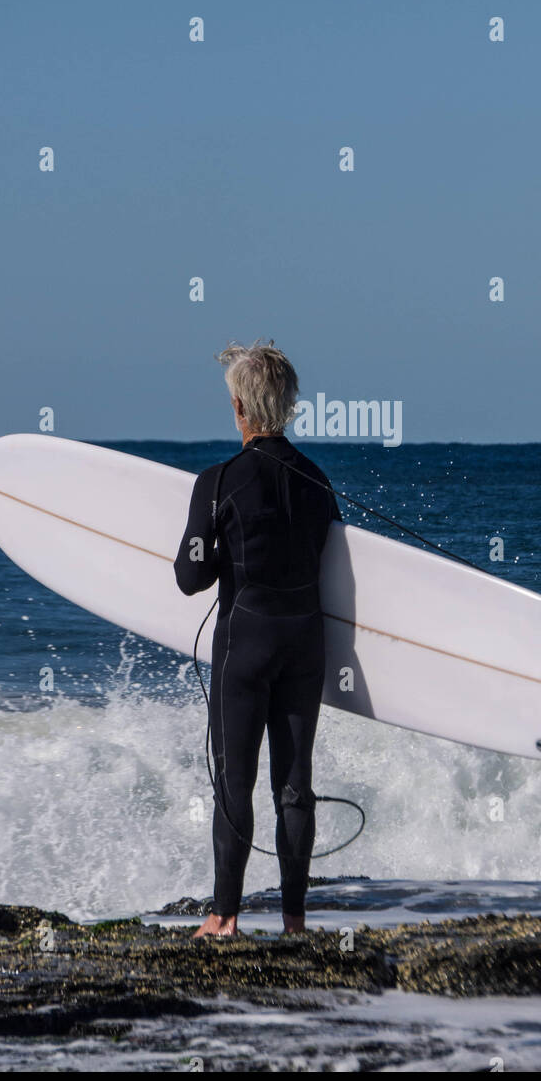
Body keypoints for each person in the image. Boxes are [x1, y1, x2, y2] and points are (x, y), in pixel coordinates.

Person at [174, 340, 341, 938]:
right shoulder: (319, 483)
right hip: (306, 648)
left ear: (241, 407)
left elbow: (189, 577)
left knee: (234, 781)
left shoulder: (217, 482)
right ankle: (296, 922)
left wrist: (221, 553)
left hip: (243, 647)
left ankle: (224, 917)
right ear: (289, 406)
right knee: (295, 786)